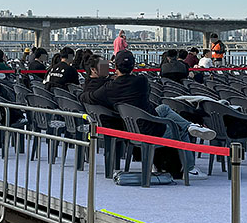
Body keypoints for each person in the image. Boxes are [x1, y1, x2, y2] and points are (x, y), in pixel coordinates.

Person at [88, 50, 216, 179]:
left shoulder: (110, 88)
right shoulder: (142, 81)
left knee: (163, 109)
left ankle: (189, 126)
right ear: (133, 66)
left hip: (131, 129)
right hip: (149, 130)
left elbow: (90, 96)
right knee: (180, 129)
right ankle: (190, 168)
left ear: (115, 67)